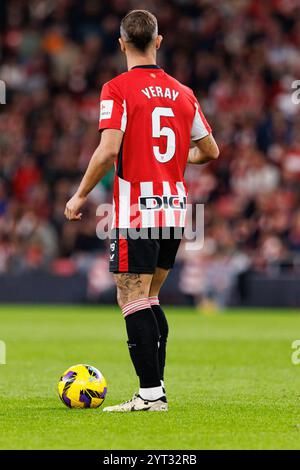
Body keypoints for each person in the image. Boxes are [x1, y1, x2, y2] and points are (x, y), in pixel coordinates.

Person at [64, 9, 219, 412]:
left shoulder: (116, 88)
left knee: (130, 294)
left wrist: (80, 194)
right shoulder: (184, 92)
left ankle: (150, 394)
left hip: (135, 209)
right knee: (150, 296)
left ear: (120, 44)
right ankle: (156, 390)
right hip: (174, 209)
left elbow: (109, 149)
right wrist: (168, 162)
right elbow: (210, 151)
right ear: (158, 41)